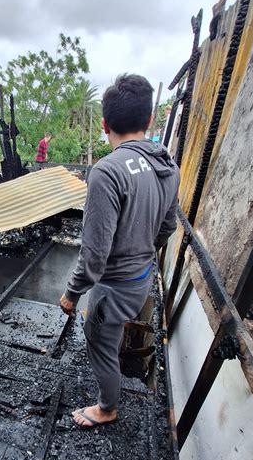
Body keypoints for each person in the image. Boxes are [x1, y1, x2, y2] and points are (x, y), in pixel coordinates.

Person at [60, 74, 180, 428]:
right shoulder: (167, 165)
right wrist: (142, 249)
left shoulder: (107, 172)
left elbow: (94, 255)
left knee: (99, 342)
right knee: (110, 336)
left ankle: (107, 408)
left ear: (104, 124)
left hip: (114, 288)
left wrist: (71, 294)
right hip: (142, 277)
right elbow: (168, 227)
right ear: (149, 121)